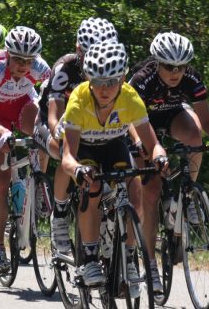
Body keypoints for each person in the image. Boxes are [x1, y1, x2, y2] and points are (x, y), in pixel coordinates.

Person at [60, 41, 167, 296]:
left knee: (134, 189)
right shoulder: (78, 100)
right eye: (97, 81)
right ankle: (88, 257)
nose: (104, 88)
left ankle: (129, 259)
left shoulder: (130, 98)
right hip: (85, 148)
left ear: (122, 78)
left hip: (113, 144)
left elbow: (153, 144)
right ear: (88, 78)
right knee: (93, 185)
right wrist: (78, 171)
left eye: (111, 81)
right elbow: (67, 157)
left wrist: (160, 157)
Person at [128, 31, 209, 293]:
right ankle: (150, 264)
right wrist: (148, 146)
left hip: (173, 115)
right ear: (157, 62)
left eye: (181, 67)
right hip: (142, 123)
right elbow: (129, 117)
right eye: (169, 67)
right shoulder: (142, 80)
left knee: (195, 137)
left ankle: (187, 194)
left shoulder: (192, 78)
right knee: (150, 192)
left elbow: (207, 121)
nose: (176, 73)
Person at [0, 26, 51, 274]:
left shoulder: (42, 69)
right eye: (18, 60)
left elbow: (50, 104)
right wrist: (4, 134)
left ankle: (39, 183)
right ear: (8, 55)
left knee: (44, 134)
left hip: (23, 104)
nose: (23, 66)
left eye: (28, 61)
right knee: (1, 180)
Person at [46, 17, 118, 252]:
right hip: (55, 119)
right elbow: (53, 114)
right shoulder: (64, 68)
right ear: (78, 49)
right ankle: (59, 213)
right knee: (64, 153)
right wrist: (59, 131)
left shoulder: (110, 70)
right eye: (90, 54)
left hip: (87, 125)